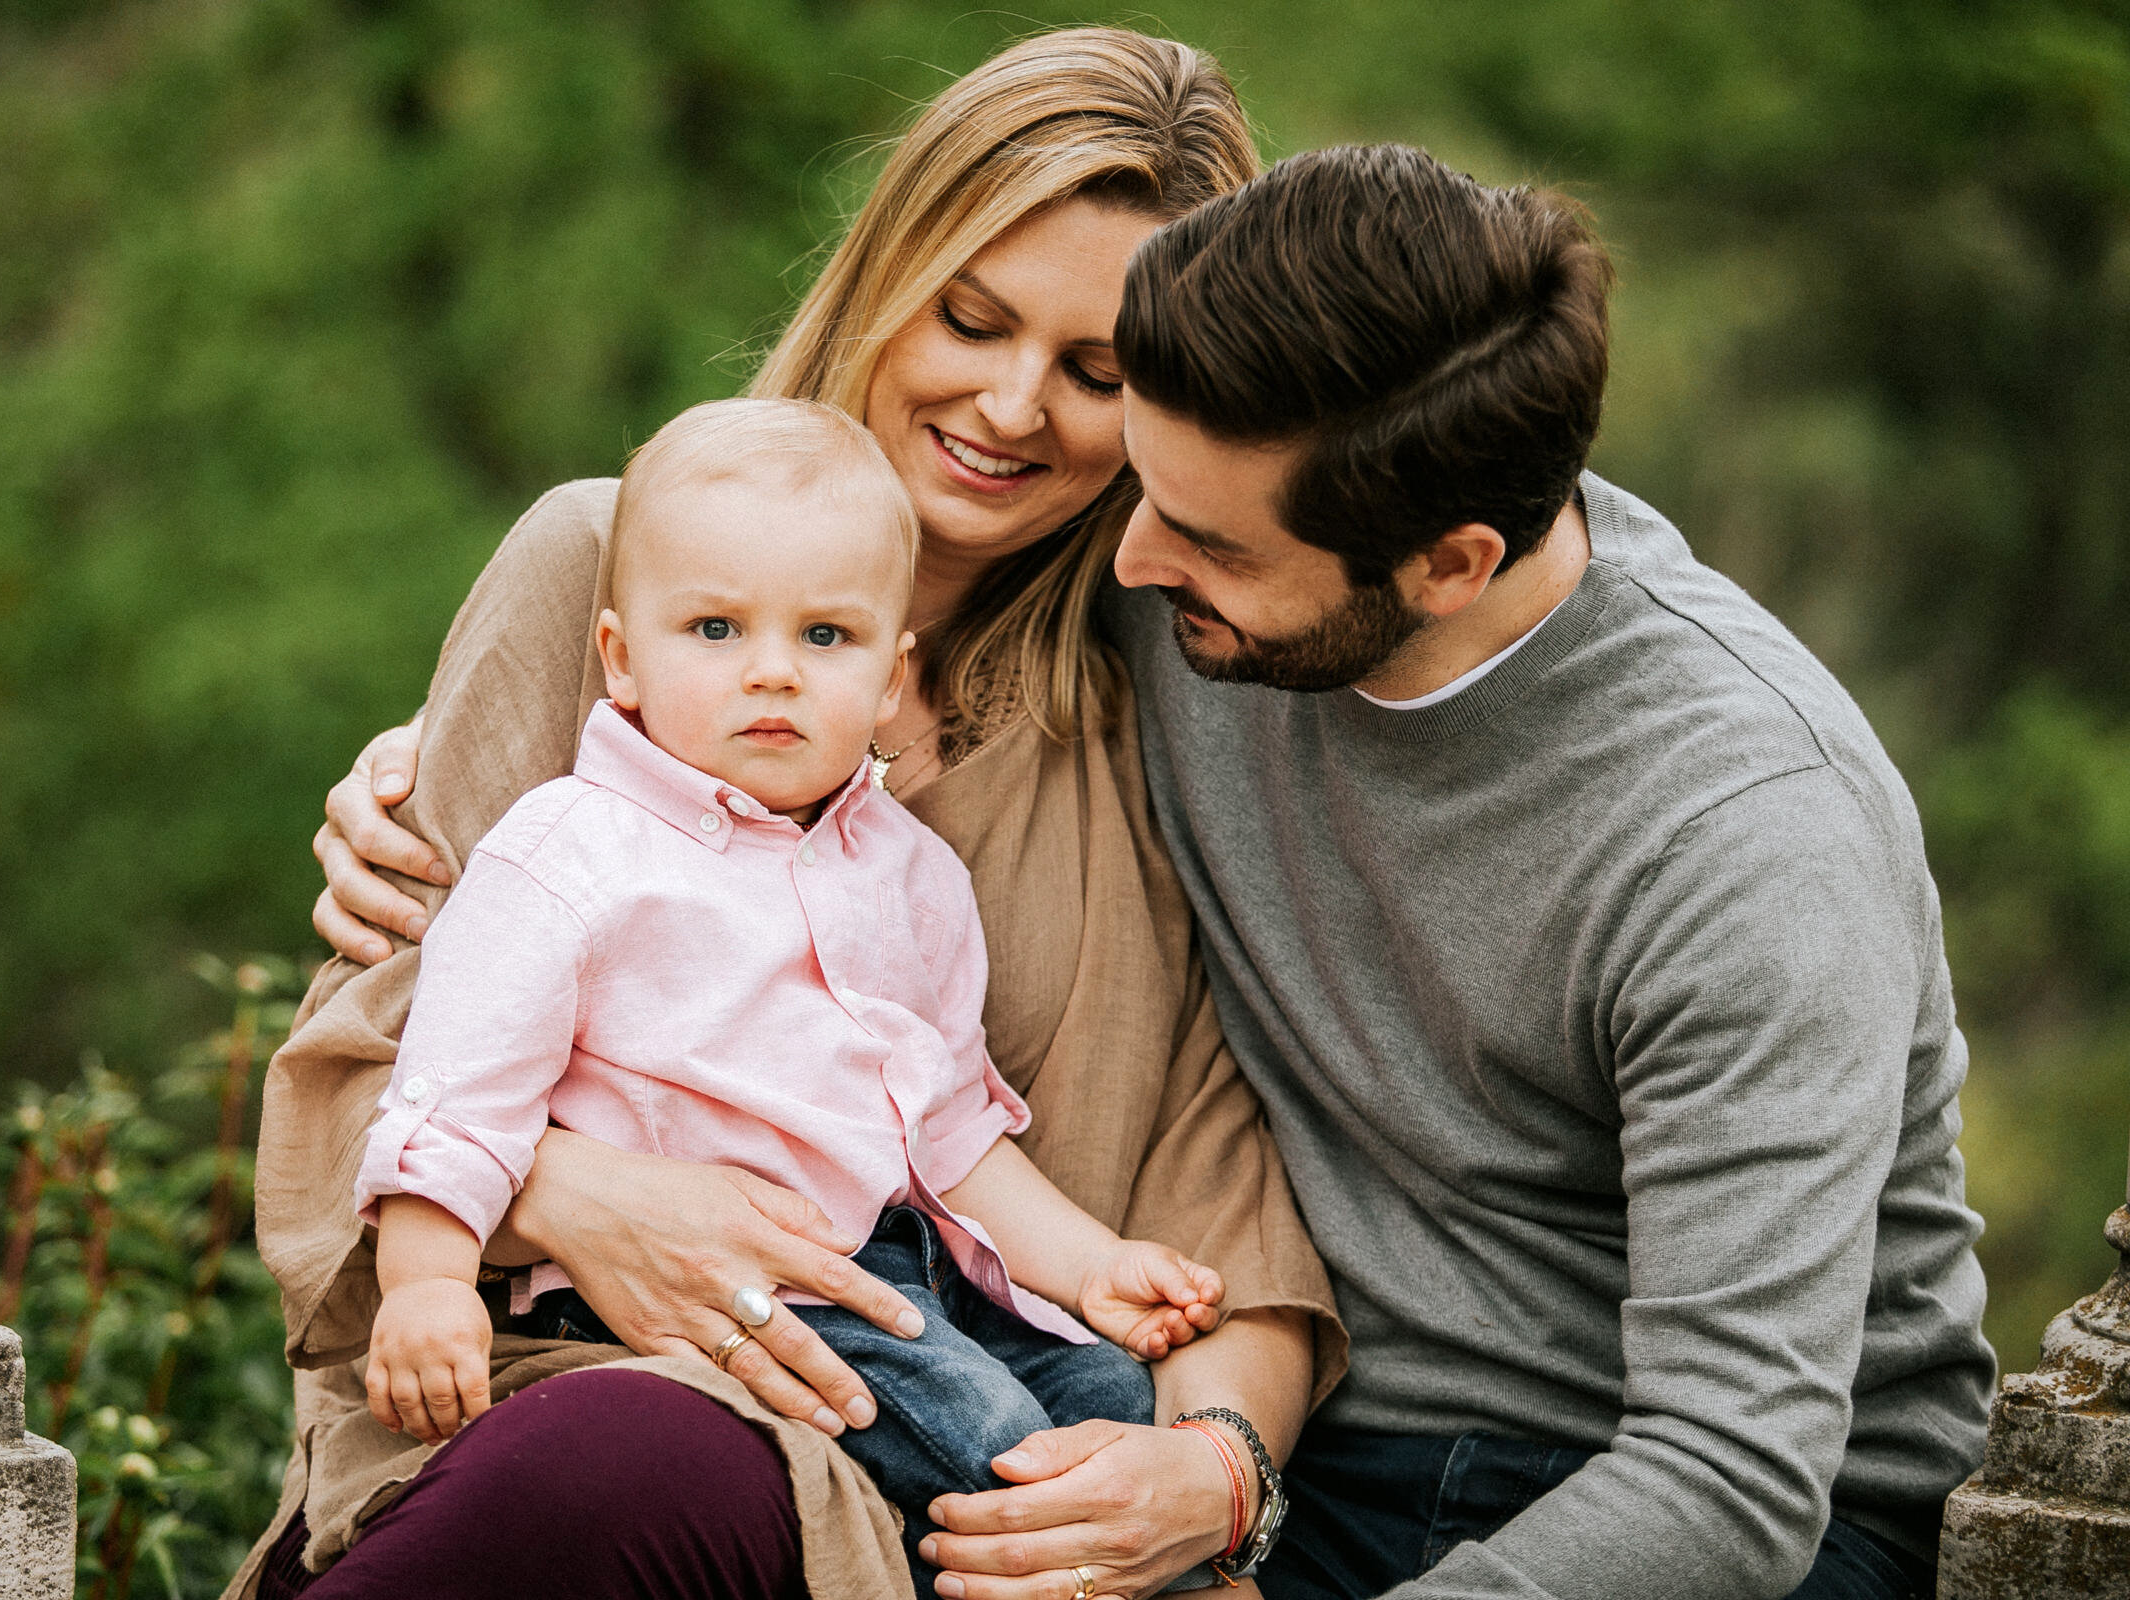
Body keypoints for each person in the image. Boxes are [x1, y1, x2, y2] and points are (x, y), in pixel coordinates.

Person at [317, 145, 2000, 1600]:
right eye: (1145, 490)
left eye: (1202, 541)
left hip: (1687, 1518)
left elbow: (1733, 1472)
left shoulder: (1747, 841)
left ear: (1450, 561)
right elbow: (791, 627)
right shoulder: (1205, 574)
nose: (1126, 558)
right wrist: (545, 763)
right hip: (1320, 1466)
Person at [239, 29, 1344, 1600]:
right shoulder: (596, 567)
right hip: (581, 1398)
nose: (1013, 405)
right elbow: (361, 1067)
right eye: (970, 318)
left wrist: (1217, 1476)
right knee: (625, 1464)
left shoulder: (1162, 716)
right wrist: (593, 1198)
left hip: (981, 1461)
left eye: (1098, 374)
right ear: (889, 272)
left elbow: (1231, 1201)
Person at [356, 398, 1232, 1599]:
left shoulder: (908, 871)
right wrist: (427, 1286)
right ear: (622, 656)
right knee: (998, 1446)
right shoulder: (571, 851)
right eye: (715, 628)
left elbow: (954, 1131)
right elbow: (456, 1091)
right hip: (696, 1285)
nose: (771, 669)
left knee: (1104, 1394)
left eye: (826, 637)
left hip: (900, 1264)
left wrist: (1090, 1270)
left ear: (890, 679)